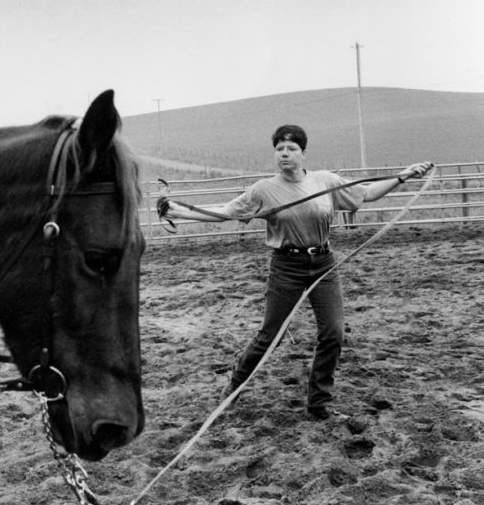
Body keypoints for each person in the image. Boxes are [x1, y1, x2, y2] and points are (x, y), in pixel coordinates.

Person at [157, 124, 433, 420]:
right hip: (287, 266)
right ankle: (234, 388)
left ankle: (318, 404)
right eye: (279, 149)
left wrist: (403, 176)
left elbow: (367, 194)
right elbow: (223, 214)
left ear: (304, 153)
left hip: (324, 264)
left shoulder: (325, 181)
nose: (284, 154)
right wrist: (178, 211)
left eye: (291, 149)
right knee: (271, 336)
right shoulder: (263, 190)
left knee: (333, 333)